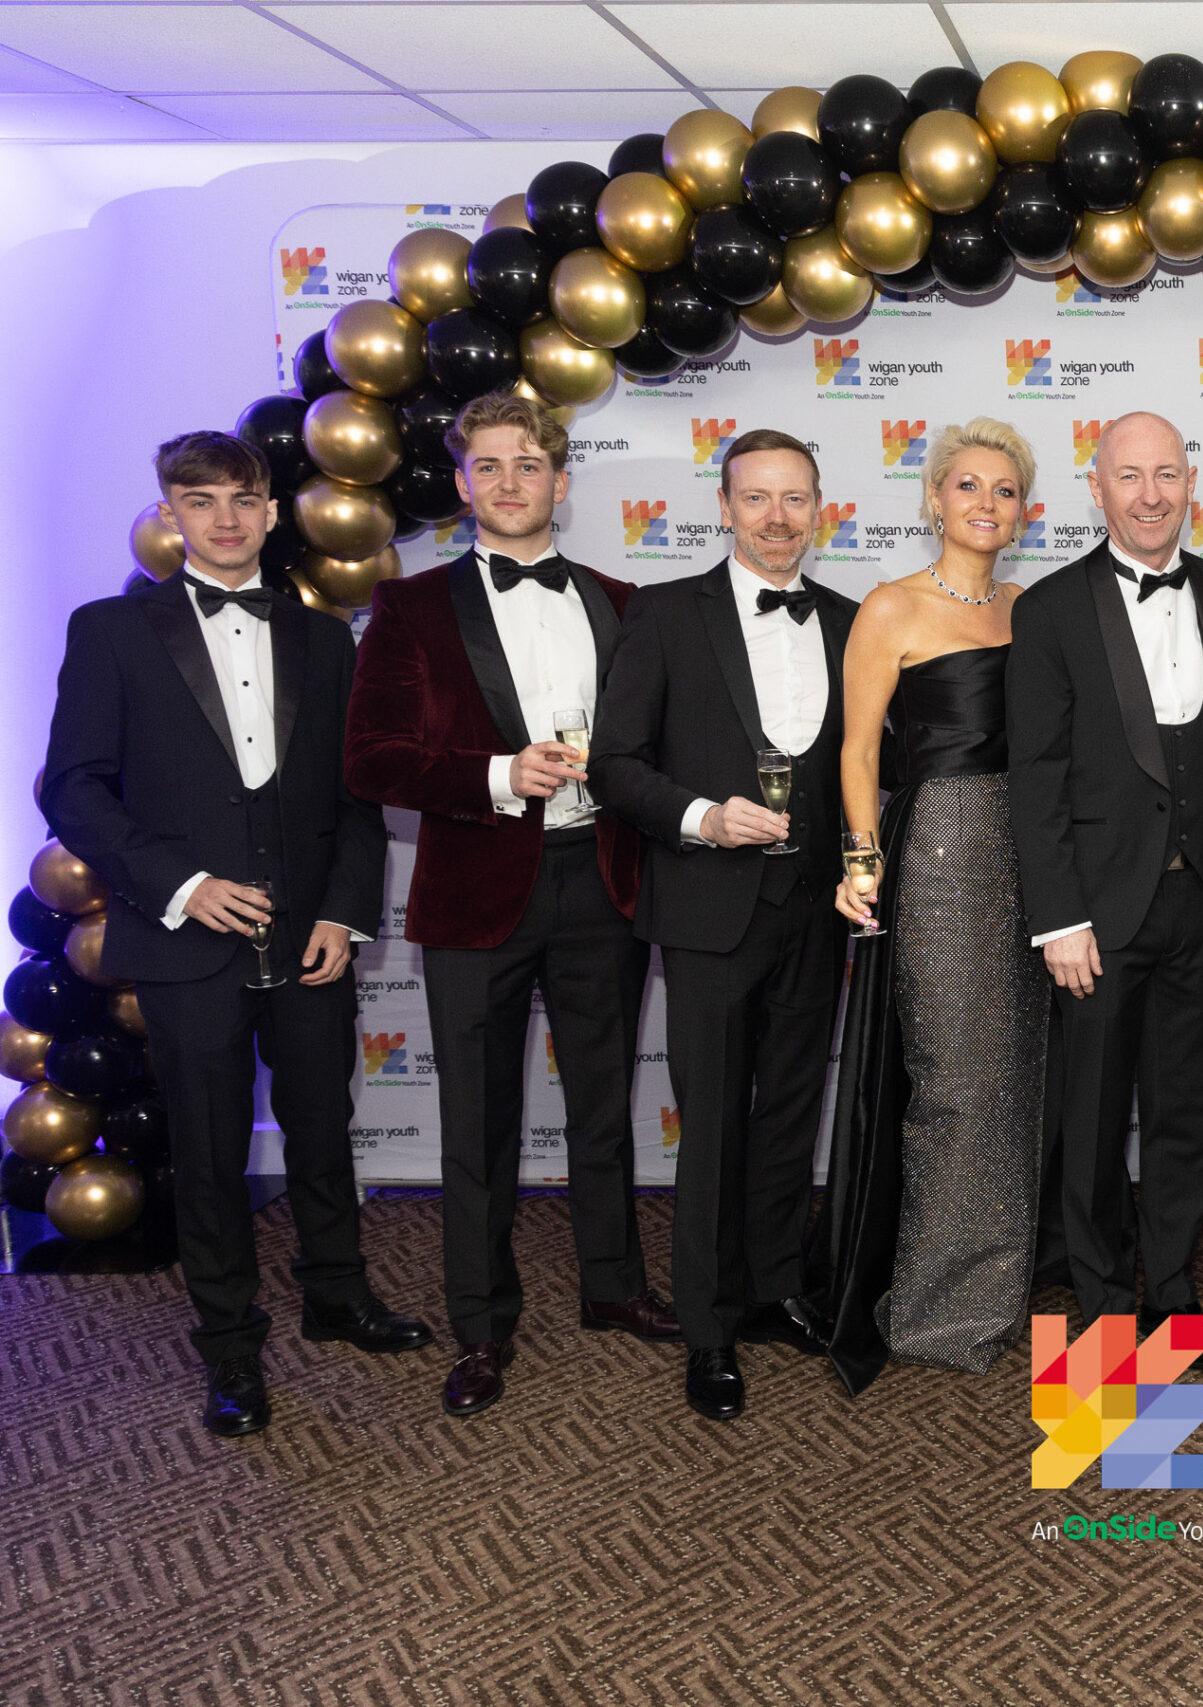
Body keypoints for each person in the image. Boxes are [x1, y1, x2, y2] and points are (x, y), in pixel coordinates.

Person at [41, 430, 418, 1438]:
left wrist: (341, 912)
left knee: (323, 1127)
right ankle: (231, 1348)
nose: (224, 518)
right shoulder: (111, 630)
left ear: (271, 511)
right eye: (199, 499)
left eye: (243, 498)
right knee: (208, 1151)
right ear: (170, 513)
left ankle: (336, 1295)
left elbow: (354, 799)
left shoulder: (326, 639)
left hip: (309, 942)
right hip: (182, 939)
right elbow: (72, 788)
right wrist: (182, 884)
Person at [344, 393, 672, 1419]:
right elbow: (371, 759)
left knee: (603, 1108)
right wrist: (496, 775)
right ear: (461, 484)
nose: (510, 482)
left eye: (528, 465)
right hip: (475, 889)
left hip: (603, 880)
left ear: (561, 482)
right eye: (488, 466)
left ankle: (613, 1285)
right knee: (477, 1124)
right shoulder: (410, 607)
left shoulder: (624, 601)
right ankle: (482, 1326)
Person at [589, 428, 857, 1421]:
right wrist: (703, 816)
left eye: (795, 498)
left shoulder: (850, 620)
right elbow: (613, 765)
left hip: (817, 910)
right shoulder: (663, 614)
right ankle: (706, 1326)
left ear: (820, 507)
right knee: (709, 1128)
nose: (777, 518)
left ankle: (771, 1288)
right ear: (725, 506)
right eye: (757, 498)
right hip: (707, 908)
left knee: (790, 1111)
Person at [1006, 412, 1203, 1370]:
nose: (1151, 495)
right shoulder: (1051, 609)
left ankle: (1175, 1297)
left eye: (1167, 474)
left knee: (1184, 1113)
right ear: (1096, 488)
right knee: (1096, 1120)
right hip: (1096, 913)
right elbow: (1036, 775)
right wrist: (1059, 916)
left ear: (1192, 482)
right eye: (1130, 476)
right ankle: (1105, 1309)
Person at [821, 420, 1047, 1393]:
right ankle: (934, 1301)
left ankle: (1001, 1281)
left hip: (1030, 853)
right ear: (934, 500)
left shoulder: (1030, 609)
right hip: (944, 854)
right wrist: (862, 861)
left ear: (1023, 509)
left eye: (1004, 489)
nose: (985, 504)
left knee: (1016, 1074)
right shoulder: (892, 606)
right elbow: (857, 751)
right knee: (954, 1079)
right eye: (968, 486)